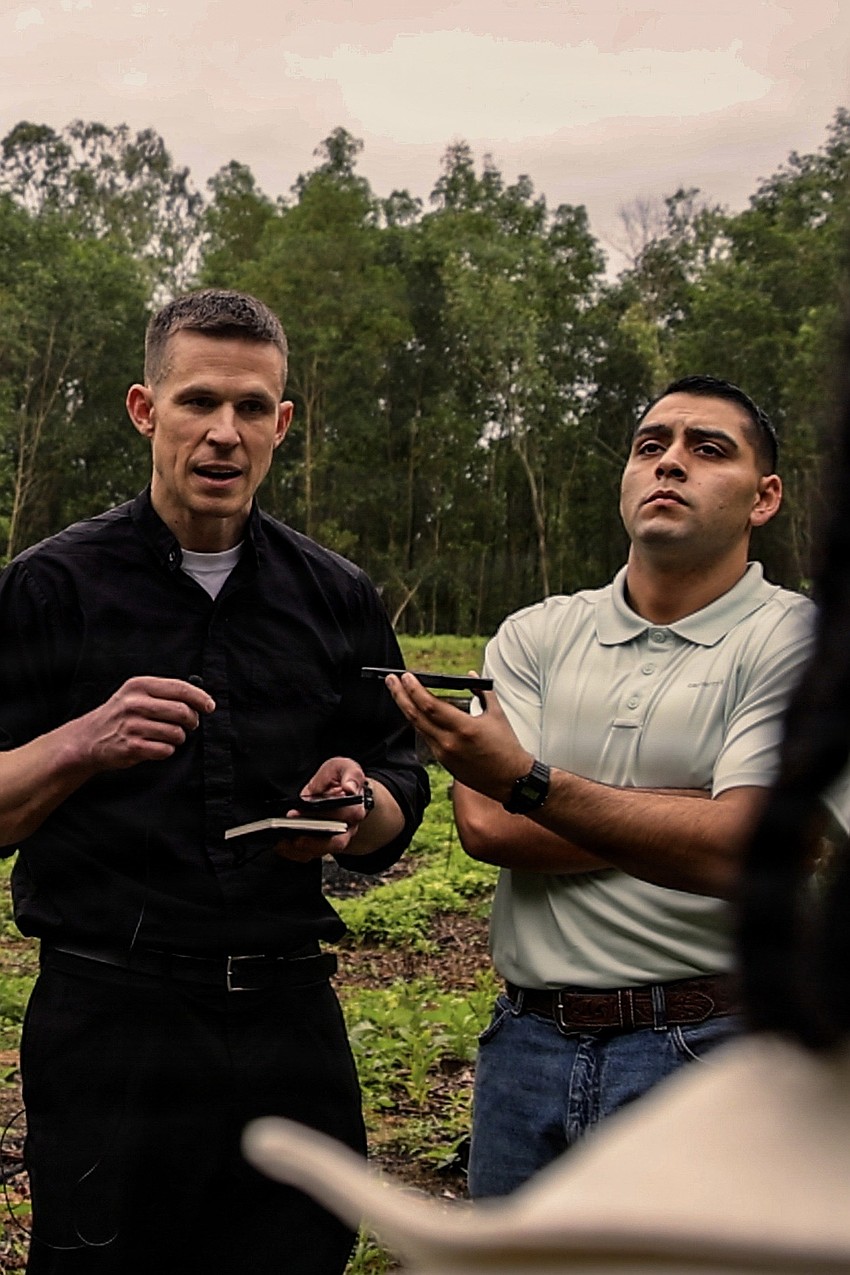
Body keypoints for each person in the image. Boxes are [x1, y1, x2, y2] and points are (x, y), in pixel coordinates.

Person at [0, 288, 429, 1275]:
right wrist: (81, 742)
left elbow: (398, 777)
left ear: (281, 424)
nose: (223, 433)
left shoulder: (336, 597)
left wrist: (360, 807)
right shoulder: (51, 588)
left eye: (250, 408)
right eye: (197, 402)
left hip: (290, 1015)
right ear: (145, 411)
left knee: (296, 1255)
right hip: (113, 1016)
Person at [386, 375, 848, 1198]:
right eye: (651, 445)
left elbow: (747, 853)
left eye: (708, 449)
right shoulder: (534, 634)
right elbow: (488, 827)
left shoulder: (798, 641)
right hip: (525, 1047)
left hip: (717, 1044)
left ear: (765, 497)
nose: (670, 462)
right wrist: (692, 810)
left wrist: (531, 779)